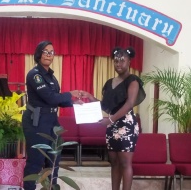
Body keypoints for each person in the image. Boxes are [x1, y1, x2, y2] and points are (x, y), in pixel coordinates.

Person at [81, 46, 146, 190]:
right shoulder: (109, 82)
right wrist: (91, 98)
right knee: (114, 162)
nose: (119, 64)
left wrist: (110, 120)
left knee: (125, 163)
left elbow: (129, 104)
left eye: (122, 61)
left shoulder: (133, 80)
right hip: (112, 125)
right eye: (116, 61)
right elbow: (106, 106)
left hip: (126, 125)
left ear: (129, 61)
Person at [22, 40, 83, 190]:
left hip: (52, 122)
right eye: (45, 52)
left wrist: (73, 103)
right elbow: (49, 97)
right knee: (35, 162)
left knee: (54, 161)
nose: (49, 55)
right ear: (38, 54)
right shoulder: (34, 75)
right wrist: (70, 94)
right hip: (37, 121)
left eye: (52, 52)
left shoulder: (52, 77)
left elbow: (56, 99)